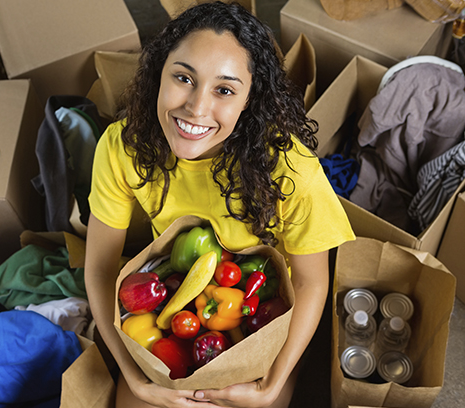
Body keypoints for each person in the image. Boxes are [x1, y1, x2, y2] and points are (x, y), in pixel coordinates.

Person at [84, 2, 355, 407]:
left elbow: (311, 283)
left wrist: (271, 386)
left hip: (262, 313)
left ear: (249, 99)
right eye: (183, 78)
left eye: (224, 90)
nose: (196, 108)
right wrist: (133, 376)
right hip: (174, 301)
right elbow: (102, 267)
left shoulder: (291, 170)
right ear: (159, 72)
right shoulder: (122, 147)